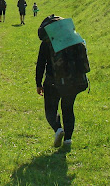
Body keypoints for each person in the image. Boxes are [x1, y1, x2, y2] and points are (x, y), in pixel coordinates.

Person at [36, 16, 84, 149]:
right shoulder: (72, 38)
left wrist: (38, 83)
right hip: (74, 80)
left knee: (50, 109)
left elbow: (41, 64)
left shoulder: (47, 42)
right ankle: (68, 139)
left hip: (53, 81)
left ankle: (58, 129)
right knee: (68, 109)